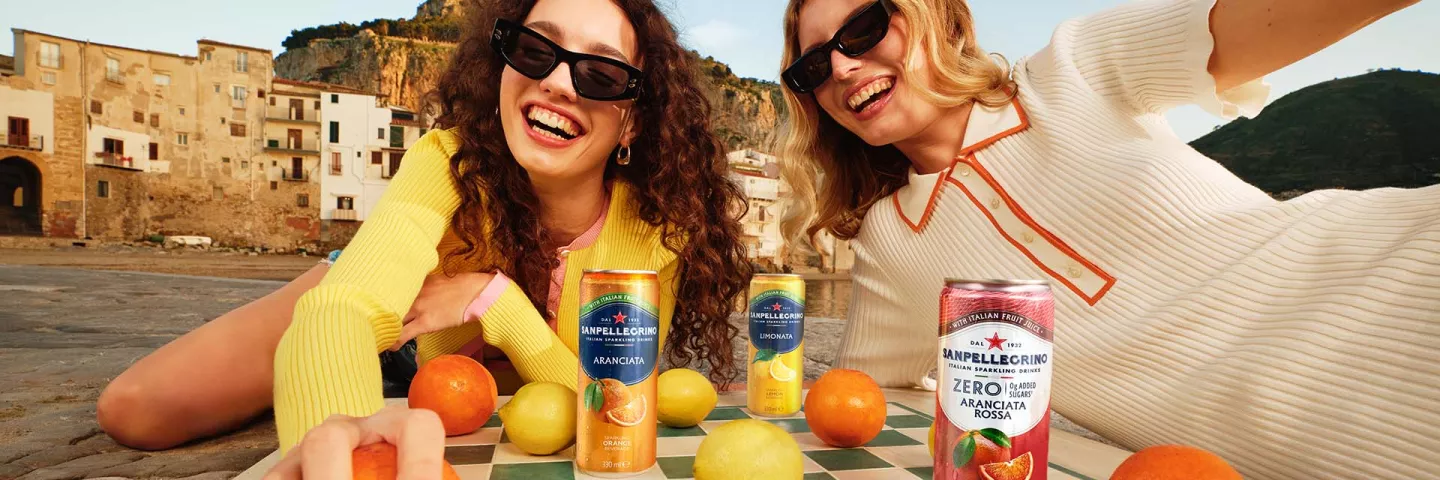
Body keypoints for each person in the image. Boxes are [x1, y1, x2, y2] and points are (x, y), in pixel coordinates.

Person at [777, 0, 1436, 477]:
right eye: (810, 67)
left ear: (938, 15)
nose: (839, 64)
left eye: (864, 28)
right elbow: (856, 404)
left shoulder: (1073, 67)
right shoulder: (891, 240)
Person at [96, 0, 751, 460]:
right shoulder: (445, 157)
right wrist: (336, 417)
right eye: (534, 49)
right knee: (137, 409)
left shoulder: (658, 231)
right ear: (503, 68)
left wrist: (496, 302)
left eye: (602, 73)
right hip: (399, 305)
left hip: (453, 365)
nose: (556, 82)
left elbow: (606, 398)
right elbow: (346, 310)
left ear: (633, 121)